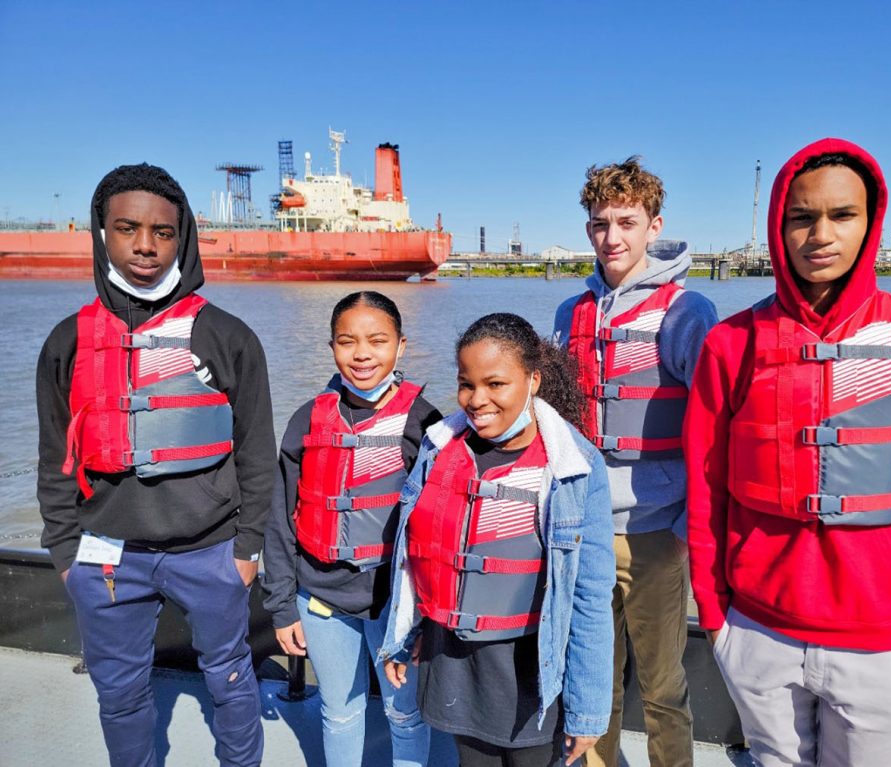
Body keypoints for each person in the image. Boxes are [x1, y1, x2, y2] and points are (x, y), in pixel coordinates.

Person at [685, 137, 891, 766]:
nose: (821, 234)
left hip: (883, 649)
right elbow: (705, 492)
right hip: (757, 636)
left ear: (871, 223)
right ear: (778, 225)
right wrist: (715, 618)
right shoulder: (729, 347)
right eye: (801, 216)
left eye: (842, 215)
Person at [36, 163, 276, 766]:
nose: (145, 245)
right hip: (107, 560)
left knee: (230, 681)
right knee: (119, 697)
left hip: (213, 554)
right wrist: (66, 556)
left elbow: (256, 455)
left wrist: (247, 552)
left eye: (163, 232)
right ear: (102, 234)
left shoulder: (229, 337)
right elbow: (53, 460)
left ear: (183, 237)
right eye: (128, 228)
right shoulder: (65, 343)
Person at [380, 313, 615, 767]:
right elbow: (414, 561)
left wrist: (587, 709)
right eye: (466, 384)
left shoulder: (575, 466)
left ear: (533, 379)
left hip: (530, 675)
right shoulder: (438, 449)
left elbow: (589, 596)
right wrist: (404, 634)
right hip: (455, 666)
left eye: (496, 384)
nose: (477, 399)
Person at [552, 156, 718, 767]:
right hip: (586, 530)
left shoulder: (688, 312)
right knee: (592, 686)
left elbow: (715, 430)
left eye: (627, 221)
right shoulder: (569, 313)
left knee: (663, 688)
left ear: (655, 225)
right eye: (600, 223)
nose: (612, 237)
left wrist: (686, 528)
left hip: (655, 535)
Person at [262, 290, 440, 766]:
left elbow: (441, 526)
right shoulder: (306, 420)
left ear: (401, 346)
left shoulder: (426, 424)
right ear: (332, 347)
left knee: (405, 713)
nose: (362, 354)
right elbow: (279, 518)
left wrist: (428, 615)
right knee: (338, 712)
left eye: (377, 341)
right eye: (347, 341)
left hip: (396, 604)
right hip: (321, 598)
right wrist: (281, 606)